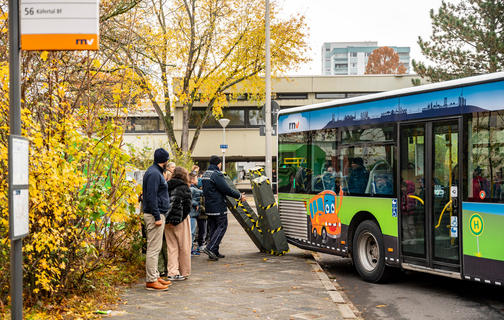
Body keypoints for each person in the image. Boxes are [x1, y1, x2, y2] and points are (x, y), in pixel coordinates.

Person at [201, 155, 245, 260]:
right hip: (218, 206)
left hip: (209, 206)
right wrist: (239, 196)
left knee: (213, 228)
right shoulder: (216, 174)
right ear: (218, 164)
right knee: (222, 226)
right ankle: (211, 247)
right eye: (220, 163)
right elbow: (225, 189)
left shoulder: (205, 174)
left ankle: (214, 252)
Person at [142, 148, 172, 291]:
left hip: (158, 213)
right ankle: (151, 280)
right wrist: (156, 216)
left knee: (156, 247)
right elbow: (151, 196)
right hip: (155, 214)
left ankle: (155, 275)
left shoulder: (155, 171)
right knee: (154, 249)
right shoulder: (154, 173)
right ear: (165, 160)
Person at [165, 167, 193, 281]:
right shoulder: (184, 187)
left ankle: (172, 272)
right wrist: (178, 219)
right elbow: (187, 206)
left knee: (171, 247)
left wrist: (168, 218)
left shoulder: (166, 185)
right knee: (184, 246)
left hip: (167, 220)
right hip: (181, 220)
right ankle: (184, 272)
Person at [189, 172, 203, 256]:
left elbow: (201, 193)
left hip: (194, 214)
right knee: (191, 232)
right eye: (196, 179)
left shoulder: (194, 188)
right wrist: (195, 204)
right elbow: (187, 198)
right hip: (191, 214)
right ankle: (189, 250)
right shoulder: (191, 189)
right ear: (192, 180)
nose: (197, 180)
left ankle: (191, 249)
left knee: (193, 232)